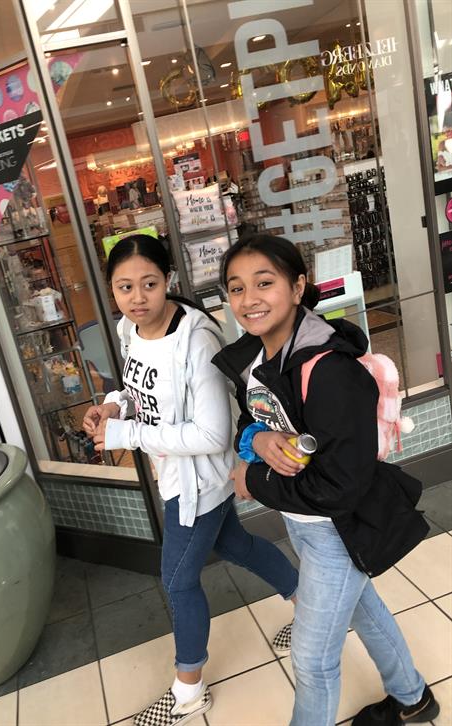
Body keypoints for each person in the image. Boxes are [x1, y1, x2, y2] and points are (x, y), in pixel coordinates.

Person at [212, 232, 439, 726]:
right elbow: (252, 419)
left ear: (298, 287)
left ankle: (408, 698)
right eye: (236, 288)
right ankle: (414, 699)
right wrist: (257, 439)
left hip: (338, 530)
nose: (249, 299)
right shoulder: (256, 359)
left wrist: (254, 480)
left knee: (312, 661)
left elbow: (340, 488)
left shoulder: (330, 370)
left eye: (264, 283)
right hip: (304, 522)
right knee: (365, 611)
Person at [82, 234, 299, 726]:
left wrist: (127, 434)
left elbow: (212, 433)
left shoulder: (196, 341)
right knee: (237, 544)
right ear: (112, 290)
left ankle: (189, 691)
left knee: (178, 581)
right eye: (125, 288)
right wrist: (115, 406)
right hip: (175, 473)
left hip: (200, 482)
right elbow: (138, 390)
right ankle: (308, 604)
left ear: (168, 281)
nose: (138, 298)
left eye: (149, 284)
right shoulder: (129, 329)